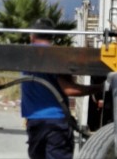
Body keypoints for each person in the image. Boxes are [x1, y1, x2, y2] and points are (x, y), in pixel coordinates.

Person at [22, 18, 104, 159]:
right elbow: (69, 89)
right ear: (52, 36)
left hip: (34, 122)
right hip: (56, 122)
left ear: (32, 36)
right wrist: (99, 88)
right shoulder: (58, 56)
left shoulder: (24, 56)